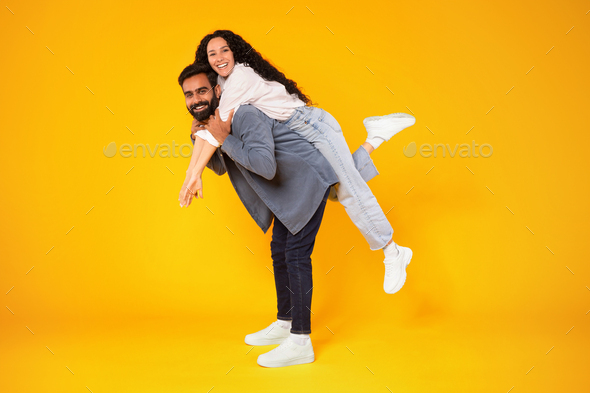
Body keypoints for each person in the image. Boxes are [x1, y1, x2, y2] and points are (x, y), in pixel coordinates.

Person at [178, 63, 402, 367]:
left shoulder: (244, 114)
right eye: (189, 95)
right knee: (279, 251)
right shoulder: (219, 123)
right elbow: (221, 166)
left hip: (305, 182)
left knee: (295, 255)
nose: (196, 99)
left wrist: (222, 137)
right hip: (289, 190)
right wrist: (201, 138)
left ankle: (300, 341)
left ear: (218, 90)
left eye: (202, 90)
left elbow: (264, 166)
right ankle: (285, 323)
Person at [179, 30, 415, 295]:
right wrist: (193, 172)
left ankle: (392, 250)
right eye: (212, 53)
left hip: (313, 126)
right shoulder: (223, 81)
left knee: (349, 190)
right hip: (298, 129)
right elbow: (210, 132)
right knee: (335, 189)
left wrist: (193, 175)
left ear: (234, 51)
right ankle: (376, 136)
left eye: (224, 50)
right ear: (206, 59)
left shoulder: (239, 78)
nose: (220, 57)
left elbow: (214, 133)